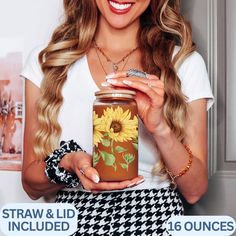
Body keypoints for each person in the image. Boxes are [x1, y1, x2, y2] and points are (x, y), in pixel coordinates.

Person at [21, 0, 214, 235]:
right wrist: (69, 164)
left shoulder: (184, 64)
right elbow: (30, 185)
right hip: (71, 221)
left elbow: (195, 190)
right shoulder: (47, 63)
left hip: (155, 223)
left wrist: (159, 128)